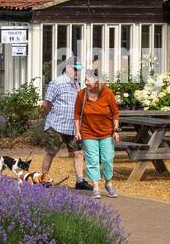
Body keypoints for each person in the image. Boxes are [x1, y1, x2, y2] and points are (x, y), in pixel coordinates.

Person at [39, 61, 90, 189]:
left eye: (79, 70)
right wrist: (51, 115)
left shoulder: (76, 84)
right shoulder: (56, 83)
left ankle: (79, 181)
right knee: (51, 152)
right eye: (75, 69)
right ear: (67, 68)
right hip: (56, 125)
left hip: (73, 126)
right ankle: (43, 178)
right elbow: (46, 104)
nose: (78, 72)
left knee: (78, 153)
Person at [74, 70, 120, 198]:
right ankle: (96, 187)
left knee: (107, 159)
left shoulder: (107, 93)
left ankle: (108, 183)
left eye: (88, 80)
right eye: (86, 80)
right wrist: (77, 131)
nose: (86, 82)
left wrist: (116, 130)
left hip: (106, 132)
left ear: (97, 82)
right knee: (92, 161)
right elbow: (77, 114)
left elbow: (115, 113)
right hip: (88, 133)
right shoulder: (81, 95)